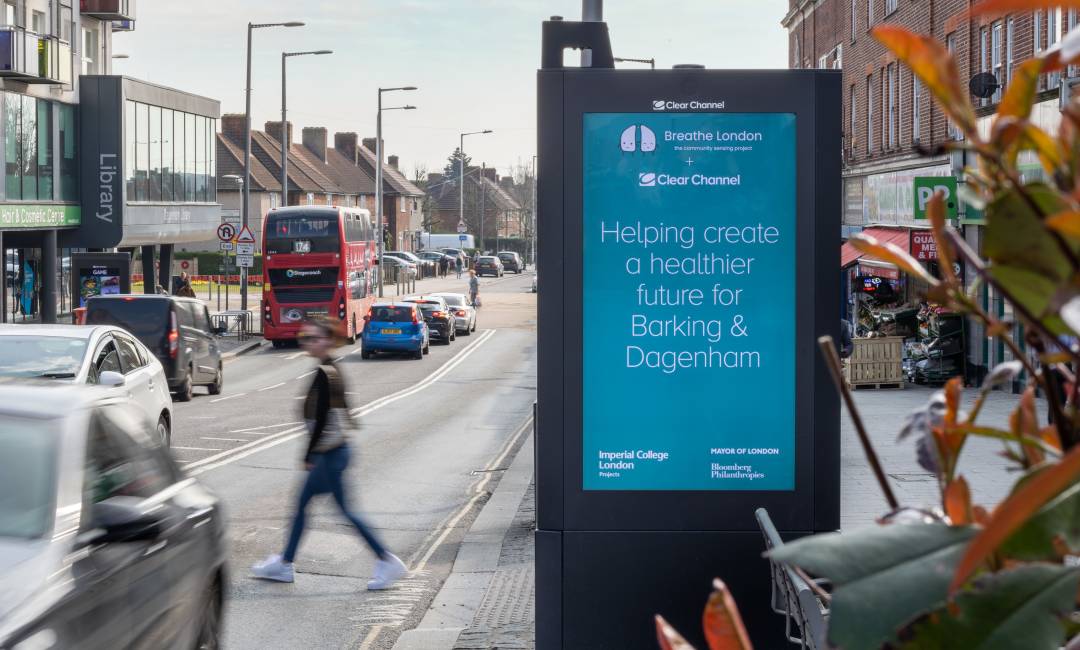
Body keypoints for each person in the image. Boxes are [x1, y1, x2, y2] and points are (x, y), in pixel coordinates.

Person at [252, 318, 406, 589]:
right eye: (305, 338)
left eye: (314, 338)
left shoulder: (326, 373)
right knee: (305, 506)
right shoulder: (329, 368)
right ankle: (285, 563)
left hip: (330, 454)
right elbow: (341, 406)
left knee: (343, 511)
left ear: (327, 340)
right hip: (333, 452)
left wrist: (309, 455)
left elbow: (322, 419)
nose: (308, 343)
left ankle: (386, 559)